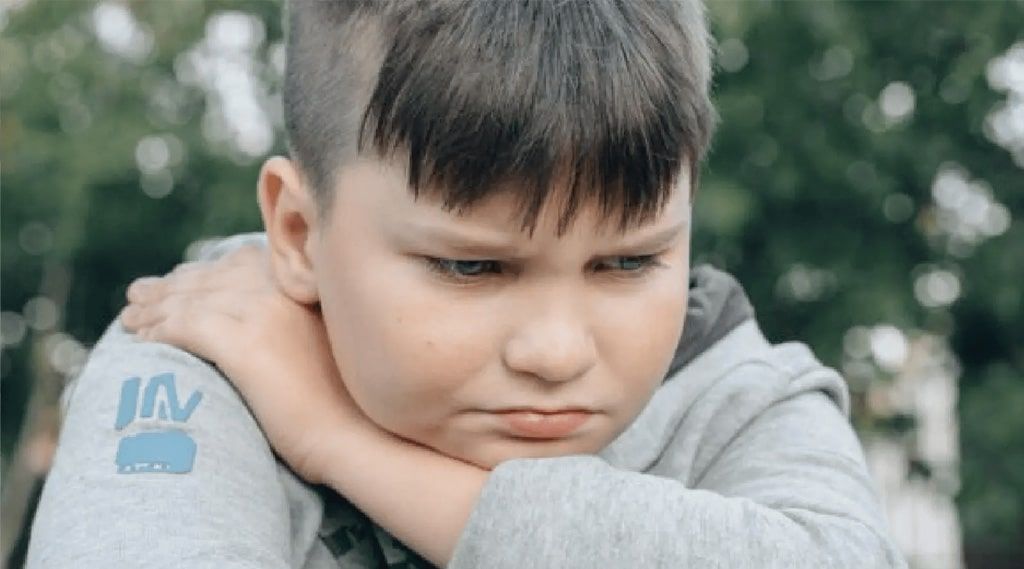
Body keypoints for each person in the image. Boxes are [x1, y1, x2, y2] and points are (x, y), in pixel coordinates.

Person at [25, 1, 907, 567]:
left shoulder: (734, 388)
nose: (557, 352)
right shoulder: (201, 347)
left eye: (629, 261)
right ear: (298, 231)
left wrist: (339, 440)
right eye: (472, 266)